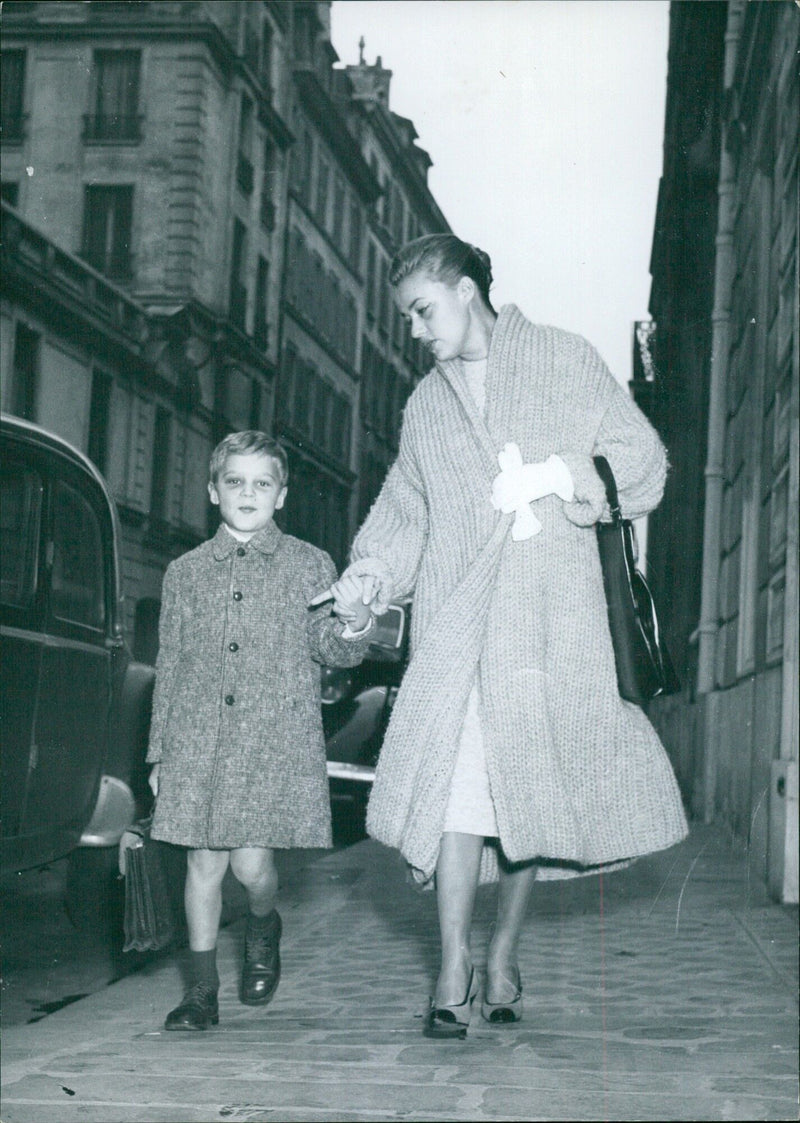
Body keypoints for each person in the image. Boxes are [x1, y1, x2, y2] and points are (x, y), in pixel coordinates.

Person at [326, 233, 688, 1039]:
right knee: (458, 798)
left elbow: (643, 461)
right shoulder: (426, 406)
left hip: (553, 628)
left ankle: (503, 954)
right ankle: (453, 966)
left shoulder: (566, 359)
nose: (416, 331)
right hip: (461, 632)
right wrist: (369, 576)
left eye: (422, 311)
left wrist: (562, 474)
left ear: (462, 289)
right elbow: (405, 516)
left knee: (529, 795)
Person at [146, 431, 374, 1031]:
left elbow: (335, 652)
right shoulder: (185, 572)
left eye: (262, 483)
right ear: (212, 490)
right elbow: (169, 663)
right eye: (235, 481)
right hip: (198, 735)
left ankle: (264, 924)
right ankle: (200, 993)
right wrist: (158, 751)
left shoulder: (309, 564)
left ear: (281, 495)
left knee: (251, 870)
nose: (248, 493)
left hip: (271, 741)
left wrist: (355, 620)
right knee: (203, 865)